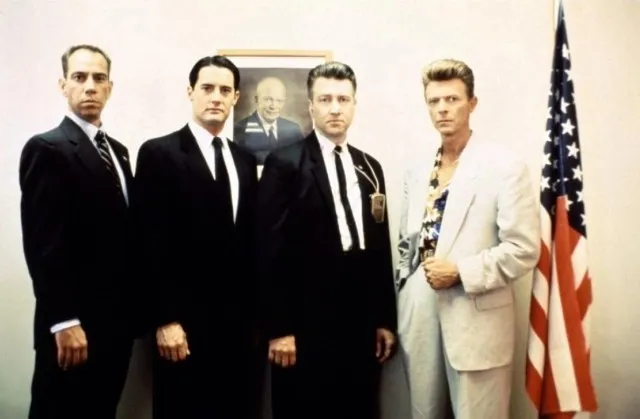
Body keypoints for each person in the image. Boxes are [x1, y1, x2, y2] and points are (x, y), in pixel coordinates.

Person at [395, 58, 541, 419]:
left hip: (476, 315)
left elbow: (524, 249)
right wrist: (406, 287)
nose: (442, 109)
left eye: (452, 99)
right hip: (420, 316)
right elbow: (406, 242)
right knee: (423, 412)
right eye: (434, 101)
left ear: (472, 103)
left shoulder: (504, 166)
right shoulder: (416, 168)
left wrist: (461, 272)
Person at [257, 61, 397, 419]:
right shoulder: (284, 163)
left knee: (360, 408)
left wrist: (384, 319)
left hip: (360, 321)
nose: (335, 108)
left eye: (343, 99)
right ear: (311, 106)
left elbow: (379, 250)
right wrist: (279, 329)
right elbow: (269, 251)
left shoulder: (370, 167)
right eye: (325, 99)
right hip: (305, 321)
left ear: (354, 104)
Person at [133, 55, 261, 419]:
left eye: (225, 90)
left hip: (238, 329)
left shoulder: (244, 160)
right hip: (182, 328)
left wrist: (256, 320)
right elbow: (148, 243)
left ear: (236, 97)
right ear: (190, 92)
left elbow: (249, 243)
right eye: (207, 88)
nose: (216, 97)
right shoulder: (159, 153)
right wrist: (165, 320)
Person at [19, 44, 136, 419]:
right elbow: (43, 245)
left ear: (110, 88)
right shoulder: (47, 148)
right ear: (63, 85)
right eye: (79, 77)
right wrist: (64, 321)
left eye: (99, 78)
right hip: (73, 329)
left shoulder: (118, 152)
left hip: (115, 326)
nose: (90, 86)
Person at [234, 76, 304, 165]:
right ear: (256, 99)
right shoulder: (239, 130)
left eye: (279, 101)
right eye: (268, 99)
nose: (273, 106)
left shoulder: (294, 130)